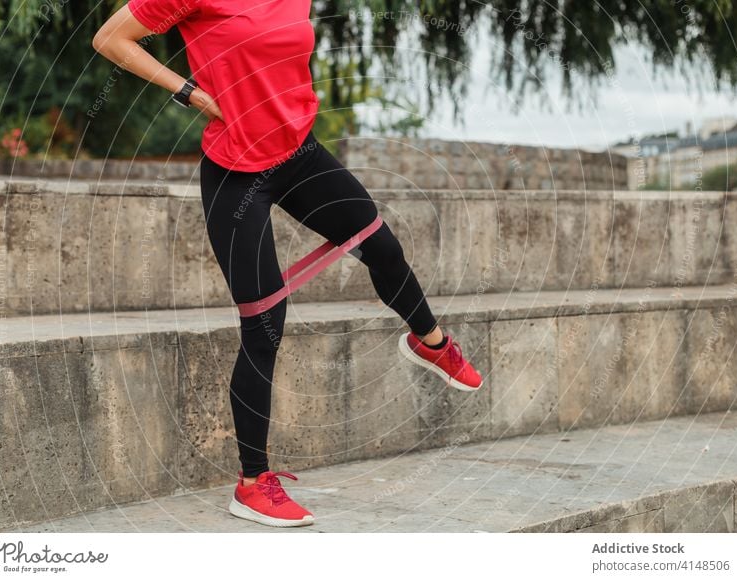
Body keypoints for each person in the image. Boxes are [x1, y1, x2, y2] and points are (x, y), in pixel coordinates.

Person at [92, 0, 483, 528]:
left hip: (299, 155)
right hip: (235, 171)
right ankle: (252, 483)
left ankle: (429, 342)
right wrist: (190, 92)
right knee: (265, 325)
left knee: (382, 247)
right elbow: (110, 39)